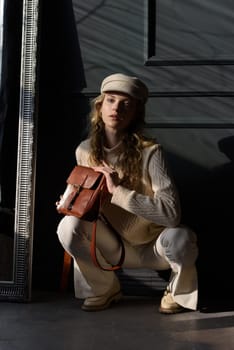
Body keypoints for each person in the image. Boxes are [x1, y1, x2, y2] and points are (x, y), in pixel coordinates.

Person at [57, 73, 198, 314]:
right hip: (113, 245)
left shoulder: (151, 153)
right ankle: (103, 289)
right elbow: (88, 205)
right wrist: (71, 202)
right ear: (100, 106)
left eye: (126, 104)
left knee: (181, 238)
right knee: (67, 225)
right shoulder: (84, 151)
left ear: (135, 113)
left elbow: (172, 215)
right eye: (111, 100)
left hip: (155, 247)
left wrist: (118, 191)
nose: (117, 109)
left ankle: (177, 292)